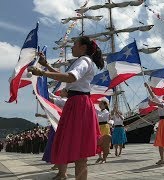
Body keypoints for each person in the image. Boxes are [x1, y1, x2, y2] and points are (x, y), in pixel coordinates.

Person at [28, 36, 107, 180]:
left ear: (83, 47)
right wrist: (47, 66)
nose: (72, 47)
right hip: (76, 102)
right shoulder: (83, 60)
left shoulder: (84, 60)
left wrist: (43, 73)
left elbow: (71, 78)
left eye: (74, 44)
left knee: (80, 148)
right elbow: (66, 77)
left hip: (78, 103)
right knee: (78, 146)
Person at [144, 82, 164, 165]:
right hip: (162, 122)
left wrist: (153, 103)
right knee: (160, 140)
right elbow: (153, 95)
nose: (163, 96)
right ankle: (162, 159)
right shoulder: (161, 102)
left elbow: (161, 105)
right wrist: (148, 87)